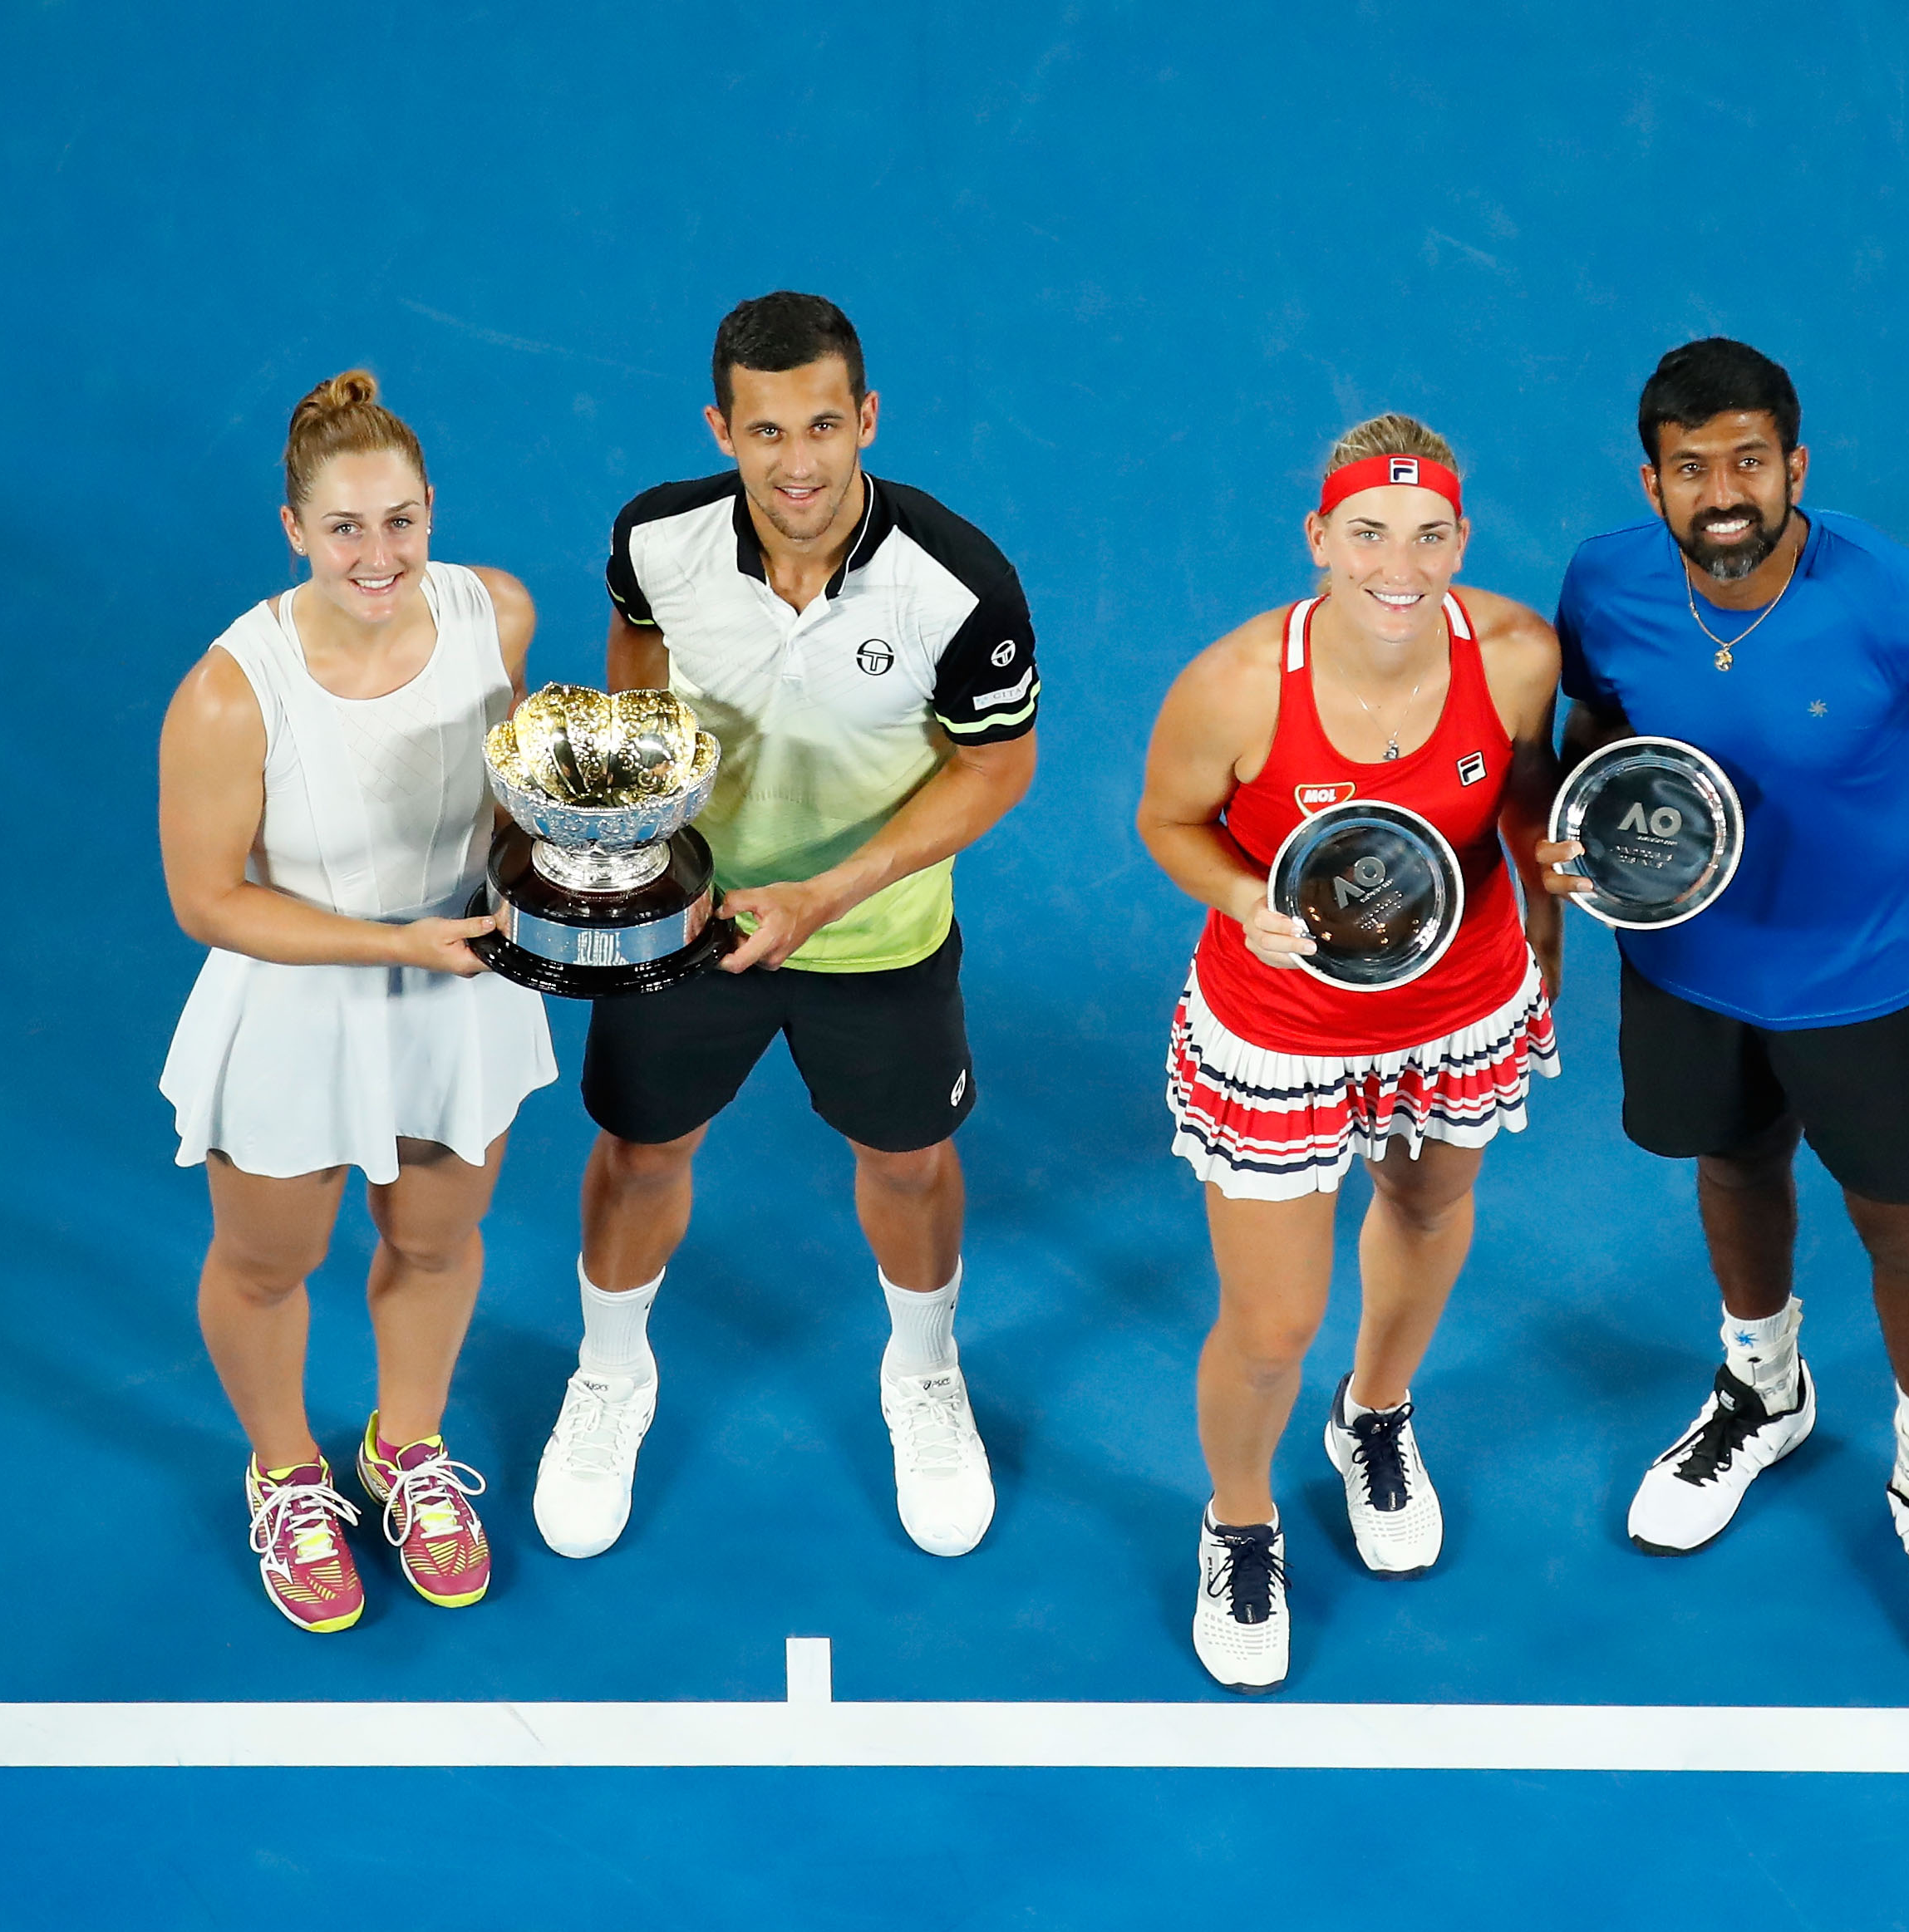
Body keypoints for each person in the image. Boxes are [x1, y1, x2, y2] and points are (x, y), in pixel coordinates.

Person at [1542, 337, 1909, 1674]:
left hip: (1867, 978)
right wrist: (1586, 828)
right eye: (1691, 468)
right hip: (1683, 962)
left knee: (1903, 1218)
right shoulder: (1602, 582)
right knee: (1730, 1162)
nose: (1724, 493)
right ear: (1650, 481)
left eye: (1750, 463)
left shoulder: (1895, 595)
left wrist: (1889, 785)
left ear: (1796, 468)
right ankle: (1761, 1387)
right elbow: (1596, 731)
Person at [534, 292, 1039, 1564]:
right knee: (641, 1149)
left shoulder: (957, 582)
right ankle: (609, 1377)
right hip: (691, 921)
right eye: (765, 433)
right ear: (722, 428)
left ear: (866, 417)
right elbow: (635, 650)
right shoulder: (658, 540)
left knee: (907, 1163)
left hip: (873, 935)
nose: (798, 462)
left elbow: (995, 769)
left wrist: (828, 893)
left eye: (823, 425)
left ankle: (922, 1375)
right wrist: (644, 828)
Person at [1135, 417, 1565, 1693]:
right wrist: (1240, 899)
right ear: (1317, 537)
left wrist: (1547, 922)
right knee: (1271, 1324)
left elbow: (1529, 799)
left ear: (1460, 541)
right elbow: (1167, 822)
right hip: (1282, 1028)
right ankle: (1241, 1520)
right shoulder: (1231, 685)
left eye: (1428, 536)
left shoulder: (1518, 655)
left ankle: (1372, 1415)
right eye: (1368, 534)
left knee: (1432, 1202)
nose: (1400, 564)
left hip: (1458, 1006)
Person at [157, 371, 554, 1632]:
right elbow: (210, 901)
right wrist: (394, 941)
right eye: (343, 527)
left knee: (436, 1238)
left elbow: (501, 802)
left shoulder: (495, 613)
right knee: (270, 1264)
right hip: (298, 1002)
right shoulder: (230, 690)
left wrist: (567, 851)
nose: (375, 555)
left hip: (461, 981)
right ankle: (284, 1469)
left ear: (431, 509)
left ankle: (407, 1446)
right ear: (293, 529)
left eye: (399, 522)